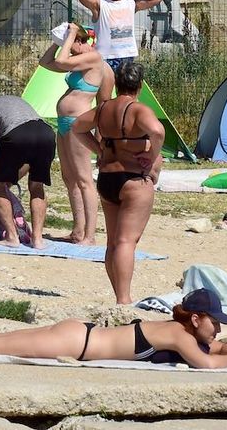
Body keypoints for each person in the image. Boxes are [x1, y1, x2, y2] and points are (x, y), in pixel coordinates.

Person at [0, 288, 227, 369]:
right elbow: (205, 365)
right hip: (75, 341)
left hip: (79, 334)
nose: (218, 331)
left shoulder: (181, 332)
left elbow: (211, 350)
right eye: (215, 324)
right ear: (195, 320)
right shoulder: (179, 336)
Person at [71, 63, 164, 304]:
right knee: (126, 242)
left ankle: (119, 296)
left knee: (113, 242)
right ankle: (124, 300)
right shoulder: (138, 110)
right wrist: (152, 155)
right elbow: (157, 131)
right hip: (133, 180)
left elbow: (77, 127)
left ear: (117, 84)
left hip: (107, 179)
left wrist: (99, 149)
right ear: (140, 86)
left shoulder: (103, 109)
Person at [39, 23, 113, 245]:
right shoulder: (79, 59)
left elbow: (61, 61)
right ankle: (77, 230)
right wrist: (58, 39)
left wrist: (70, 35)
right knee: (69, 177)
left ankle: (89, 235)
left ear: (82, 41)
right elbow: (46, 62)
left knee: (83, 179)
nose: (70, 51)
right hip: (64, 122)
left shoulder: (93, 58)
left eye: (72, 47)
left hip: (76, 122)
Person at [0, 96, 54, 249]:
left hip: (17, 134)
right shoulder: (1, 103)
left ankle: (11, 237)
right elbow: (27, 159)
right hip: (46, 133)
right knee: (37, 187)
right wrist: (10, 177)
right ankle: (38, 240)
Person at [75, 0, 161, 74]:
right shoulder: (100, 4)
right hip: (106, 57)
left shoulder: (131, 3)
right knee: (106, 90)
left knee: (126, 90)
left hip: (127, 56)